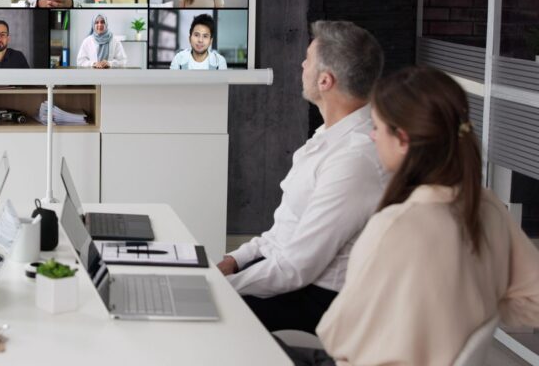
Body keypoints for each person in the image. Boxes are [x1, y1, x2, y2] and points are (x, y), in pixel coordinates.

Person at [286, 66, 539, 366]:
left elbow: (337, 337)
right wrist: (469, 303)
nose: (372, 136)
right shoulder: (487, 206)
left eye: (377, 127)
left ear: (403, 139)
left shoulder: (395, 226)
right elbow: (532, 301)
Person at [217, 21, 387, 333]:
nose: (302, 64)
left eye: (308, 59)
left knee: (196, 317)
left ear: (325, 80)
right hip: (285, 276)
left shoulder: (354, 160)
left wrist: (221, 288)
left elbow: (297, 268)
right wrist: (236, 260)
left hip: (315, 300)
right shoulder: (329, 136)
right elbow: (285, 230)